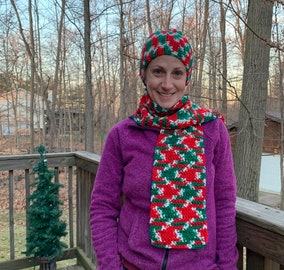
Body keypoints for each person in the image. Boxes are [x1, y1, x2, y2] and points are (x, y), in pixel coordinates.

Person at [90, 28, 238, 270]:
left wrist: (227, 267)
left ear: (187, 78)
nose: (167, 84)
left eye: (177, 73)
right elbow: (103, 206)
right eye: (158, 71)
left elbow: (224, 203)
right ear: (144, 74)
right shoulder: (123, 134)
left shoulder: (212, 130)